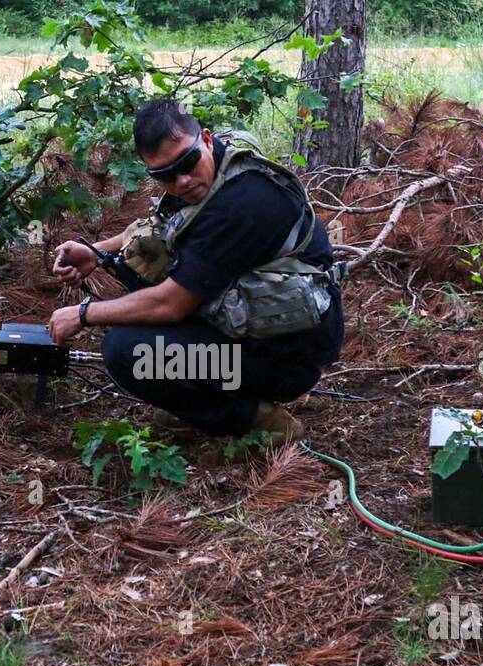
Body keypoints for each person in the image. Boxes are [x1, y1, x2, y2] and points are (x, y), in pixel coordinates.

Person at [45, 97, 344, 444]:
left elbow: (169, 305)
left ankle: (256, 419)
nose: (182, 180)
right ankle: (226, 387)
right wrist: (97, 253)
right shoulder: (218, 168)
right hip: (274, 337)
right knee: (146, 266)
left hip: (288, 359)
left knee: (129, 352)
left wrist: (83, 314)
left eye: (186, 163)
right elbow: (162, 230)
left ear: (205, 138)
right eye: (165, 175)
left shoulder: (242, 203)